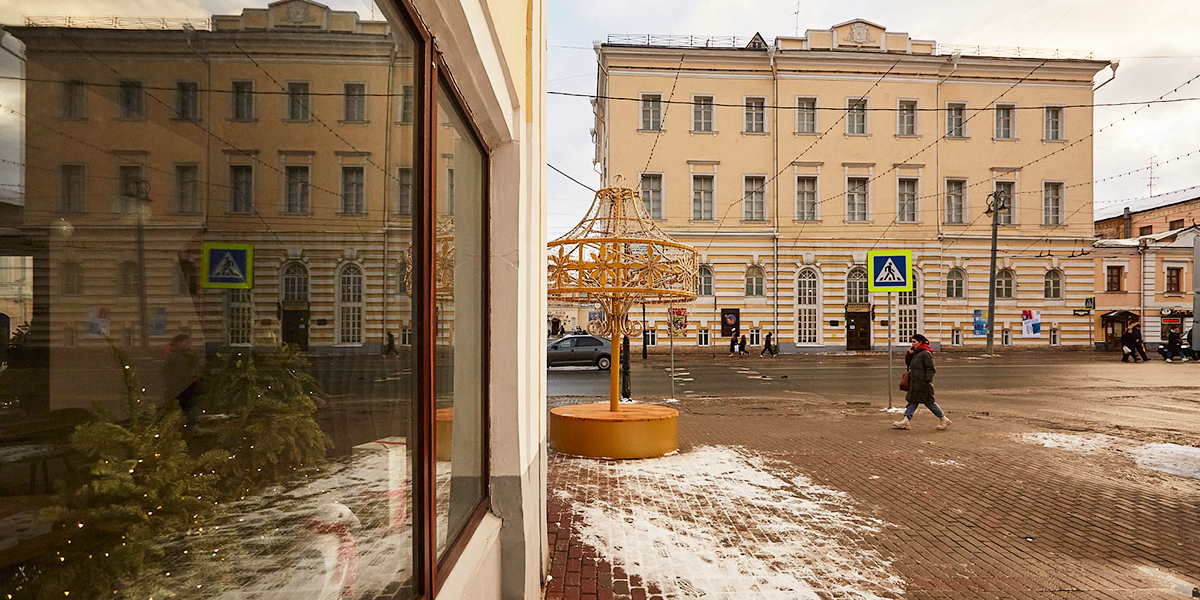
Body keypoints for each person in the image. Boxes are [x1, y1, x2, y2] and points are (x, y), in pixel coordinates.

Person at [893, 334, 951, 430]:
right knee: (912, 401)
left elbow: (931, 368)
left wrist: (927, 380)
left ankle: (944, 419)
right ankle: (906, 421)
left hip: (923, 383)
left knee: (929, 403)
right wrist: (910, 354)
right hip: (915, 382)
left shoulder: (925, 353)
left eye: (914, 342)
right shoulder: (916, 353)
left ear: (920, 342)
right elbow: (908, 364)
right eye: (912, 342)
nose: (912, 344)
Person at [162, 333, 201, 431]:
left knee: (186, 409)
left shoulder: (186, 356)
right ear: (179, 343)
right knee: (181, 410)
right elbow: (168, 373)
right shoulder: (175, 357)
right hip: (178, 388)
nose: (188, 345)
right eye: (186, 343)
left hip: (184, 388)